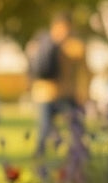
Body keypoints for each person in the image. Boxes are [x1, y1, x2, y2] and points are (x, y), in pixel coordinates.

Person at [28, 13, 87, 156]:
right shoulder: (73, 47)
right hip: (54, 93)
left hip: (48, 92)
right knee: (53, 125)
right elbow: (84, 72)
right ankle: (44, 151)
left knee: (49, 125)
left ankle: (42, 152)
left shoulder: (40, 42)